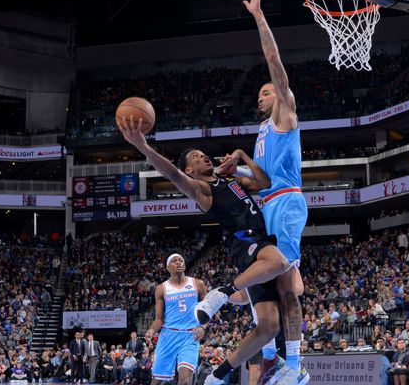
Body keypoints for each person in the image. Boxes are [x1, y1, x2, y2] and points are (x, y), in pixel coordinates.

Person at [117, 117, 291, 385]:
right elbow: (172, 174)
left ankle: (217, 376)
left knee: (269, 326)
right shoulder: (202, 189)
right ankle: (223, 293)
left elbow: (264, 182)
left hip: (258, 244)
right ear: (190, 169)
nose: (204, 157)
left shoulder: (230, 178)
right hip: (246, 242)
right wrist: (143, 146)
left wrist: (241, 155)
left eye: (203, 154)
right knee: (279, 262)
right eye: (197, 157)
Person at [221, 0, 308, 385]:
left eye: (267, 90)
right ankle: (273, 358)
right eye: (259, 92)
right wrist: (230, 172)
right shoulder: (260, 133)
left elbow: (275, 64)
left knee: (288, 287)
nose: (262, 95)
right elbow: (259, 181)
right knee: (272, 287)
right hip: (266, 205)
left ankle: (294, 364)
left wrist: (259, 17)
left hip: (287, 202)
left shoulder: (284, 117)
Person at [143, 254, 206, 385]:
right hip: (168, 336)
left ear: (184, 265)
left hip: (190, 335)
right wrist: (151, 330)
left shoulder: (198, 284)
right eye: (174, 261)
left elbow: (208, 309)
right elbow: (159, 319)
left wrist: (203, 326)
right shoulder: (161, 289)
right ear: (167, 267)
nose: (178, 263)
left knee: (185, 380)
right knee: (157, 381)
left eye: (181, 260)